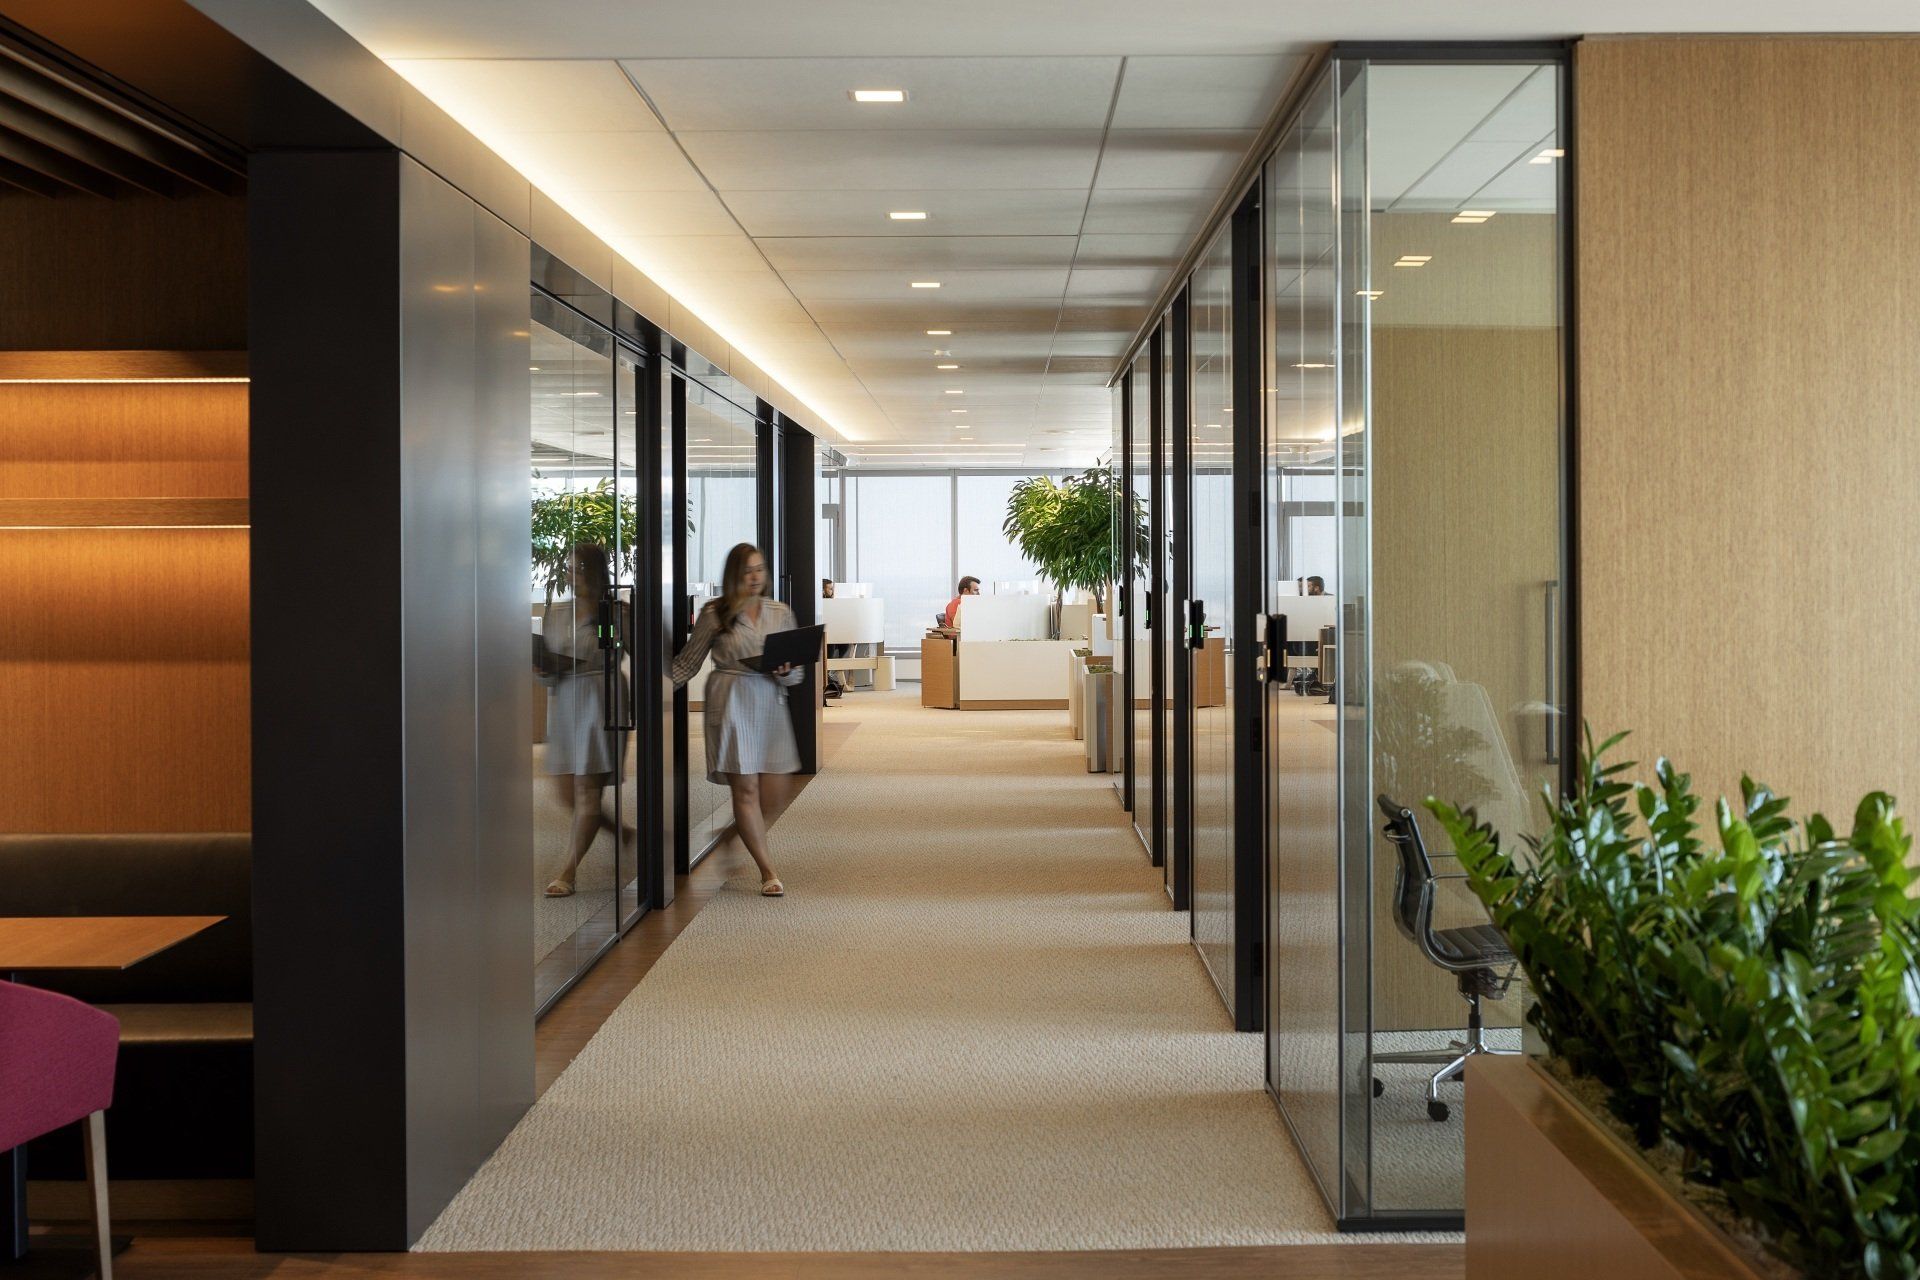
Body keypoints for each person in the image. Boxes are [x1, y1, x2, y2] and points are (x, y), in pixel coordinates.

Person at [670, 543, 805, 897]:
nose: (756, 577)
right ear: (734, 575)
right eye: (748, 571)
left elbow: (798, 675)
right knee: (745, 790)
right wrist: (653, 693)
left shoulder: (780, 612)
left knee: (774, 795)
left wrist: (786, 671)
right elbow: (687, 663)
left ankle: (731, 836)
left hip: (770, 704)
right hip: (730, 703)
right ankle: (767, 871)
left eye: (760, 569)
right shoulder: (715, 613)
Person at [539, 542, 632, 898]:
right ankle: (622, 833)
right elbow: (548, 662)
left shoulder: (613, 612)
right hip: (564, 701)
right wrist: (543, 669)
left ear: (594, 573)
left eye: (578, 568)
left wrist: (605, 622)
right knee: (567, 793)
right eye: (568, 567)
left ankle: (567, 871)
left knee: (587, 791)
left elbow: (613, 651)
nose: (570, 574)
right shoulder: (557, 612)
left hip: (600, 698)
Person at [821, 578, 845, 698]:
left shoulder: (833, 603)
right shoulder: (820, 603)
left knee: (845, 643)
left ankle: (832, 669)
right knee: (831, 645)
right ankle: (827, 671)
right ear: (823, 590)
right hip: (825, 635)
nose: (832, 591)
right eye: (830, 589)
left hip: (834, 632)